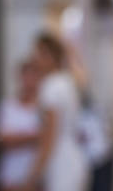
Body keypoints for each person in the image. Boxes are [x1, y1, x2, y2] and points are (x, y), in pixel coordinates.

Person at [21, 32, 89, 191]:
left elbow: (49, 135)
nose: (34, 58)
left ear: (49, 56)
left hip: (61, 163)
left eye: (38, 53)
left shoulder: (51, 86)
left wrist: (33, 176)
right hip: (73, 158)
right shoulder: (66, 81)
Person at [0, 60, 41, 191]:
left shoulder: (44, 108)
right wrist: (37, 136)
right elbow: (5, 140)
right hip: (10, 177)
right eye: (26, 75)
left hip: (35, 179)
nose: (29, 81)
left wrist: (19, 137)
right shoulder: (7, 106)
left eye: (34, 76)